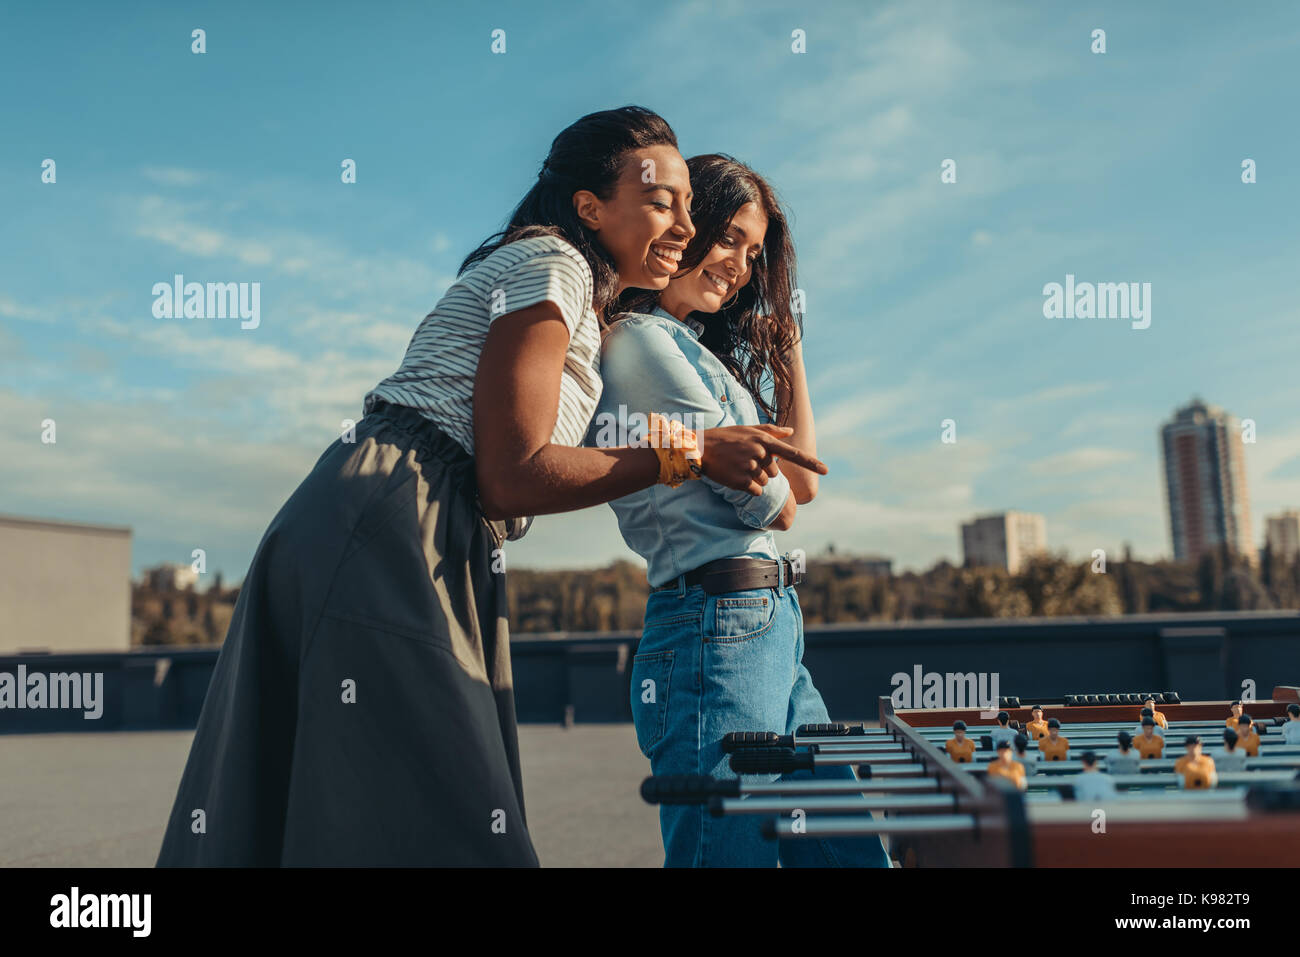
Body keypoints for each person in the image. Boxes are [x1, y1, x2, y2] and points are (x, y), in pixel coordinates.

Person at [156, 108, 826, 868]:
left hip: (425, 520)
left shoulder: (579, 291)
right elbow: (513, 473)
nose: (684, 223)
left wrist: (696, 444)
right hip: (396, 512)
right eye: (664, 200)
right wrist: (693, 452)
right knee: (459, 816)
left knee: (344, 800)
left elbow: (547, 460)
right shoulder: (555, 264)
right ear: (589, 206)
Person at [595, 154, 886, 867]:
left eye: (754, 253)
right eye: (729, 237)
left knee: (851, 857)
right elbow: (774, 505)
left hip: (769, 629)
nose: (740, 264)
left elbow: (803, 482)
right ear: (686, 226)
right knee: (726, 857)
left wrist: (789, 355)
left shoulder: (701, 355)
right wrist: (775, 482)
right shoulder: (640, 344)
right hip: (712, 630)